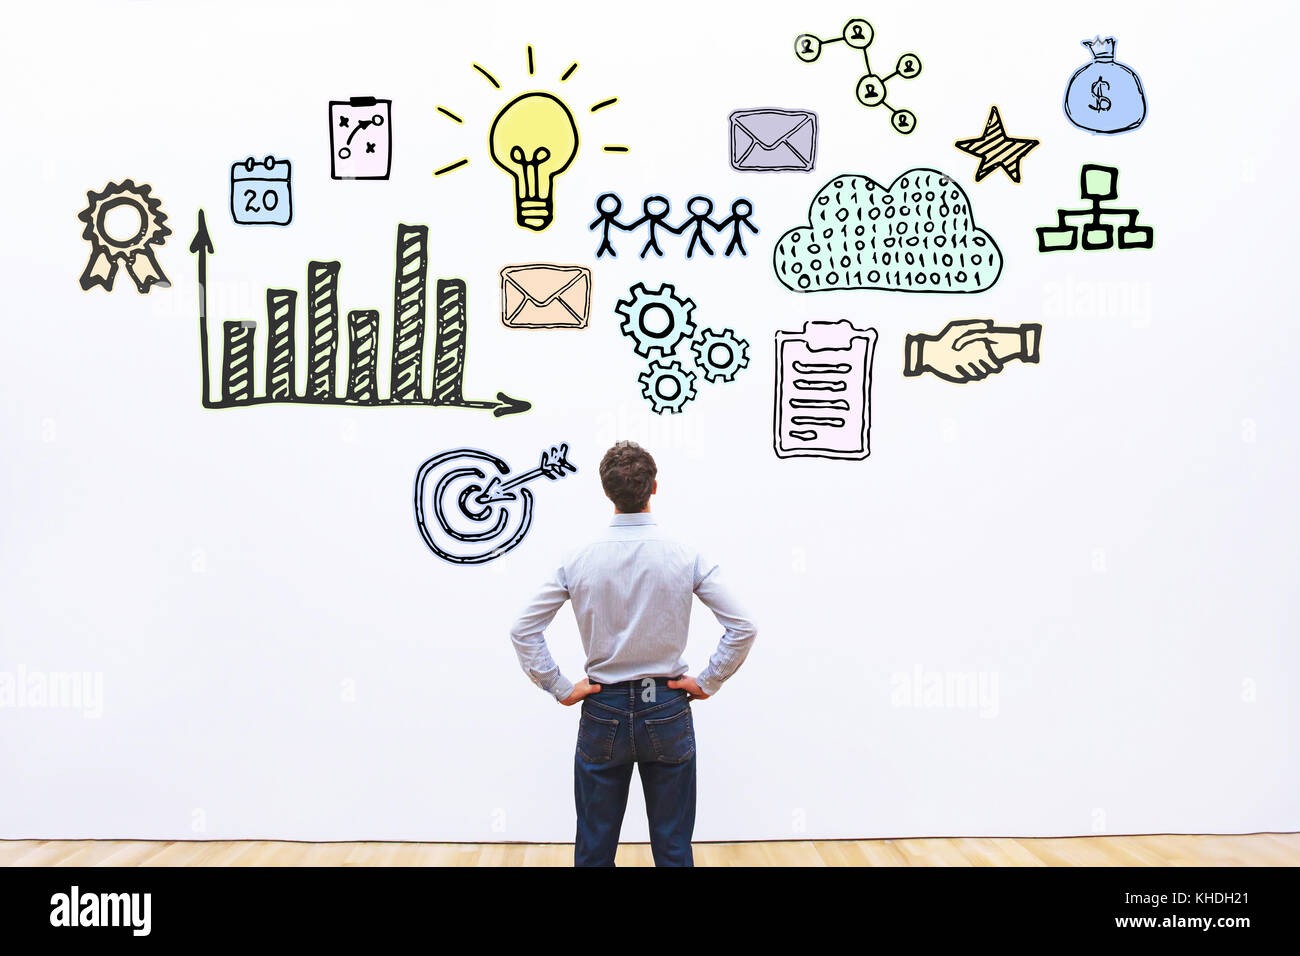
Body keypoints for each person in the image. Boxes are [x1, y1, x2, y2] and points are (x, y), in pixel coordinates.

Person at [508, 441, 757, 867]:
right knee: (674, 847)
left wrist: (560, 687)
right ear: (654, 487)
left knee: (593, 847)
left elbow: (523, 628)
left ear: (606, 493)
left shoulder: (578, 558)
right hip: (666, 706)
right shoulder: (684, 554)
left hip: (602, 706)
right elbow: (743, 626)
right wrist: (709, 680)